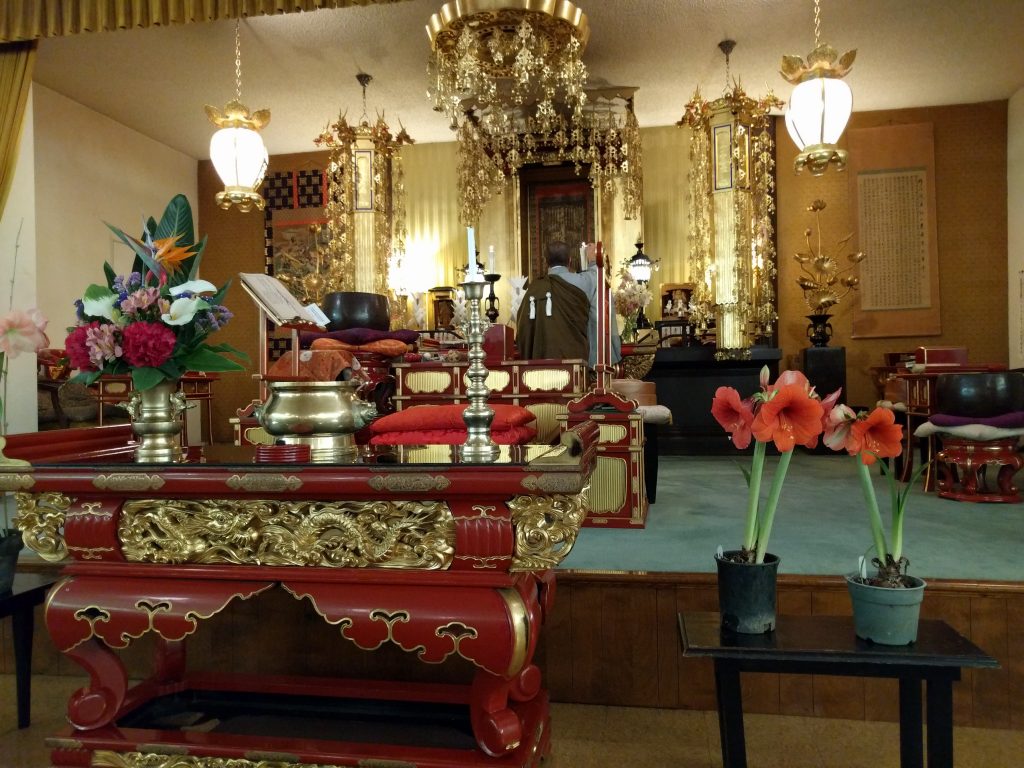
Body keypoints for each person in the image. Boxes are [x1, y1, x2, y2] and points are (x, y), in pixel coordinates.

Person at [545, 241, 621, 368]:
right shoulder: (581, 281)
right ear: (569, 261)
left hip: (548, 356)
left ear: (546, 262)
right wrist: (592, 260)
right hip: (580, 354)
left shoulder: (536, 288)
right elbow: (598, 279)